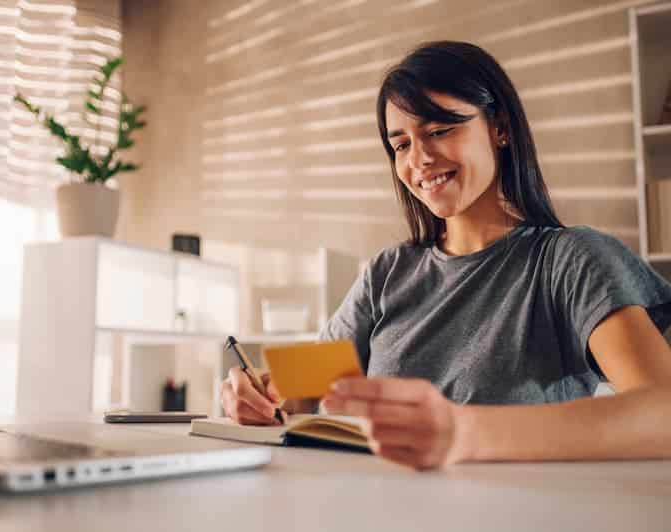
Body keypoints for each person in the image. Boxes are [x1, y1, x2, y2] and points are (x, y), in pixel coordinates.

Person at [219, 41, 671, 470]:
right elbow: (295, 395)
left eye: (439, 130)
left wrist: (464, 432)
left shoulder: (572, 262)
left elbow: (663, 413)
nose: (419, 160)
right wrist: (252, 392)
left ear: (500, 128)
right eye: (401, 145)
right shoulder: (386, 272)